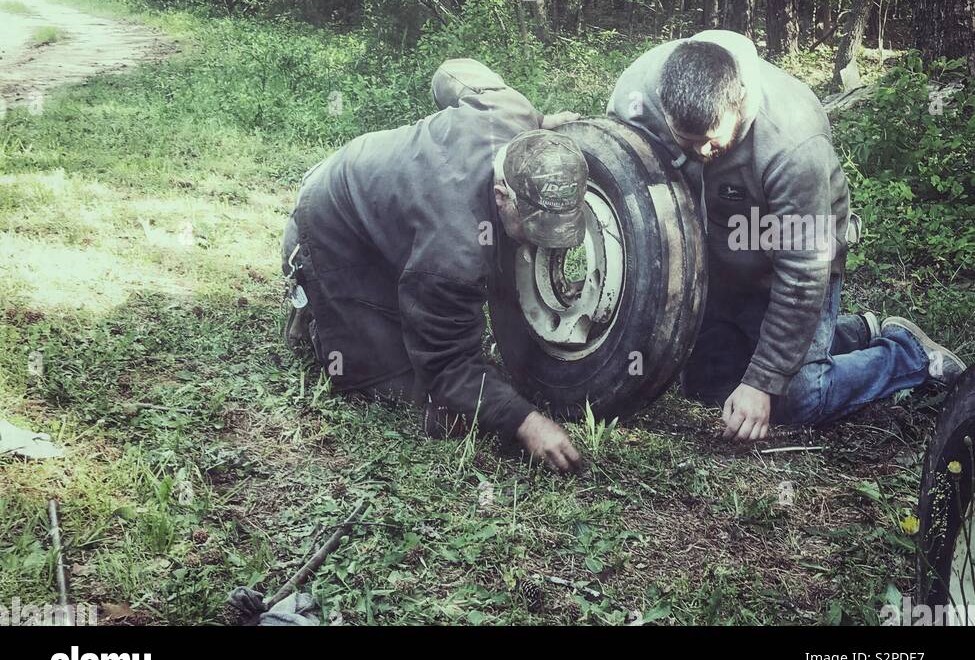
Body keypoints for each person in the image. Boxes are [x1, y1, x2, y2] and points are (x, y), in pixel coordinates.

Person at [608, 30, 966, 442]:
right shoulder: (636, 95)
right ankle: (853, 331)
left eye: (711, 141)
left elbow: (802, 274)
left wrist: (763, 382)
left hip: (787, 269)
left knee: (792, 398)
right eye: (687, 142)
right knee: (709, 390)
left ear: (737, 99)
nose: (702, 153)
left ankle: (908, 355)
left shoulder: (793, 145)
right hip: (717, 263)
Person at [281, 58, 587, 472]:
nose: (540, 243)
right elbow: (448, 366)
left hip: (390, 197)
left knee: (416, 302)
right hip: (332, 219)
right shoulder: (454, 250)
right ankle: (312, 306)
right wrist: (526, 422)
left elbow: (452, 70)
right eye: (533, 228)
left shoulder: (511, 111)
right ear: (501, 196)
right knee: (395, 384)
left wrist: (540, 121)